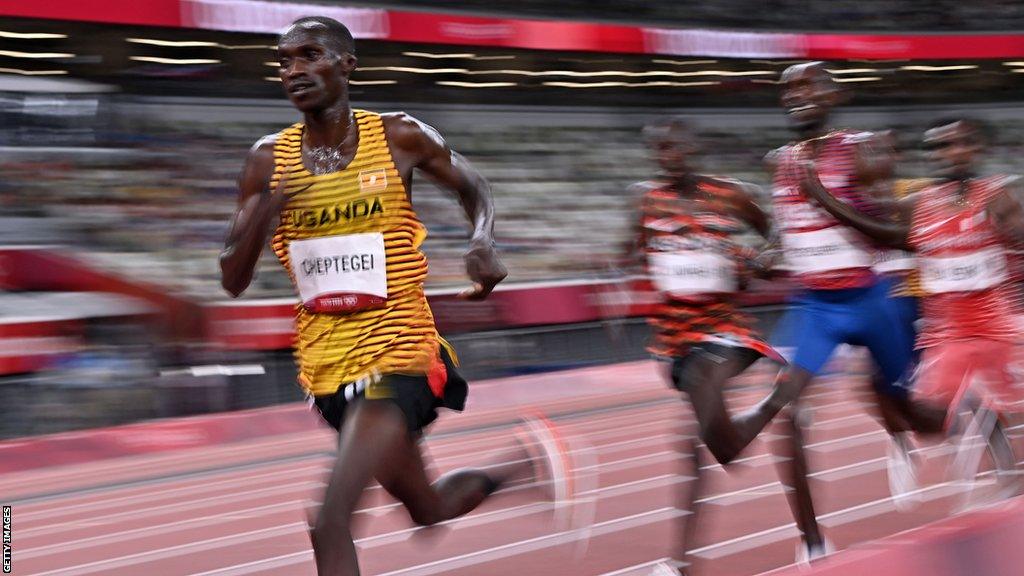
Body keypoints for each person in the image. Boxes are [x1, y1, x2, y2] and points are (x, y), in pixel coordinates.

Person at [219, 16, 571, 576]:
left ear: (346, 64)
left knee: (329, 519)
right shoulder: (267, 161)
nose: (294, 71)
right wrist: (266, 209)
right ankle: (517, 468)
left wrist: (482, 240)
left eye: (309, 55)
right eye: (284, 61)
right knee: (427, 510)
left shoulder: (398, 135)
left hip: (398, 349)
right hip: (324, 364)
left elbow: (472, 185)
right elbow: (232, 278)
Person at [765, 62, 944, 563]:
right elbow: (786, 224)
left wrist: (824, 198)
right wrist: (766, 251)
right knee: (787, 410)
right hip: (814, 305)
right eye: (787, 90)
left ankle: (945, 423)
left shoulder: (866, 149)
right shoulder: (777, 160)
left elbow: (896, 233)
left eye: (807, 86)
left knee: (913, 412)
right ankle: (812, 541)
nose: (796, 96)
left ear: (832, 94)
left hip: (870, 299)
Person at [629, 118, 788, 576]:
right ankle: (783, 395)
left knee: (700, 431)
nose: (669, 153)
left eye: (676, 145)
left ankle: (679, 563)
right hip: (676, 339)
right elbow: (635, 249)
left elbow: (773, 233)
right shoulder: (646, 200)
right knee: (721, 448)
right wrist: (623, 270)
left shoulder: (730, 194)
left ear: (695, 147)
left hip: (727, 330)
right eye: (660, 147)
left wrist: (757, 260)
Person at [798, 117, 1024, 434]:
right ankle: (980, 412)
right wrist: (826, 195)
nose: (949, 153)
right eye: (938, 147)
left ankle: (994, 427)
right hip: (948, 330)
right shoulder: (921, 202)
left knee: (1013, 408)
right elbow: (881, 231)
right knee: (927, 421)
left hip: (996, 325)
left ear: (976, 148)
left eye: (958, 143)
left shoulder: (997, 195)